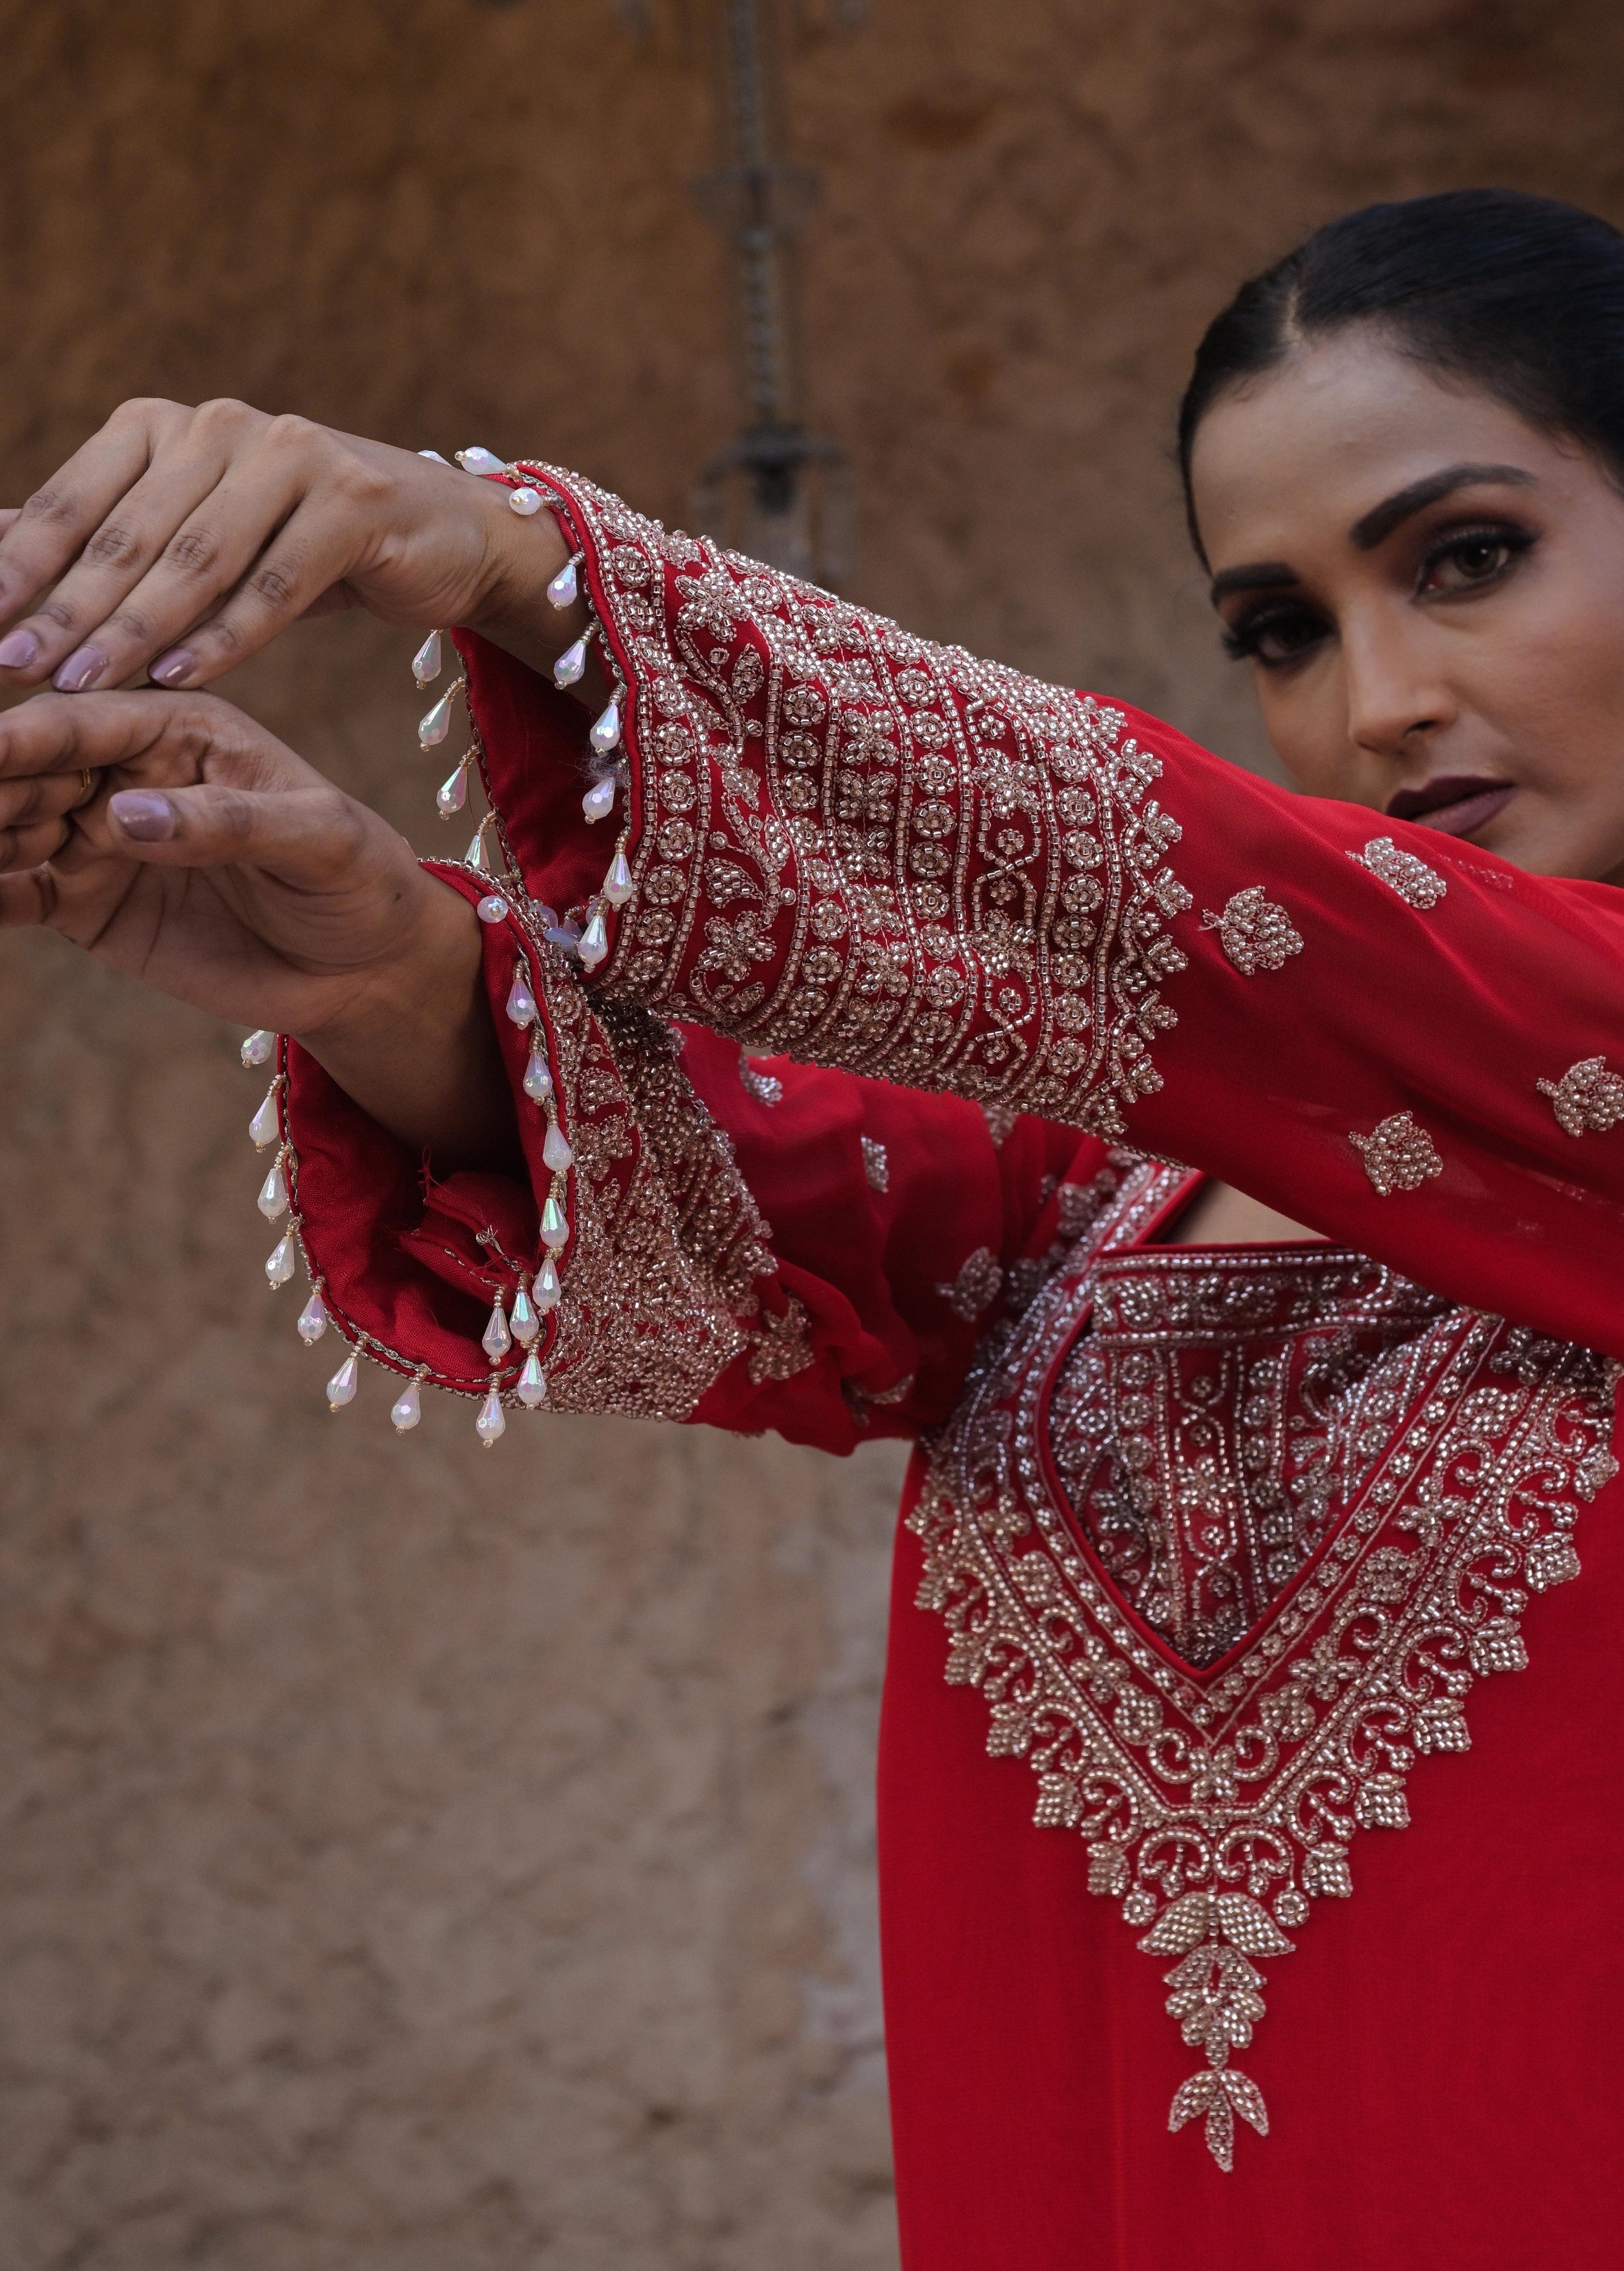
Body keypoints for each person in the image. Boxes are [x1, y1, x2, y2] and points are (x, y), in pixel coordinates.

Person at [1, 185, 1622, 2266]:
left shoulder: (1365, 1021)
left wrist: (518, 561)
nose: (1377, 697)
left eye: (1465, 558)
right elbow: (783, 1219)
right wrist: (382, 966)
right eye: (1280, 630)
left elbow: (1208, 916)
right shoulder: (1126, 1183)